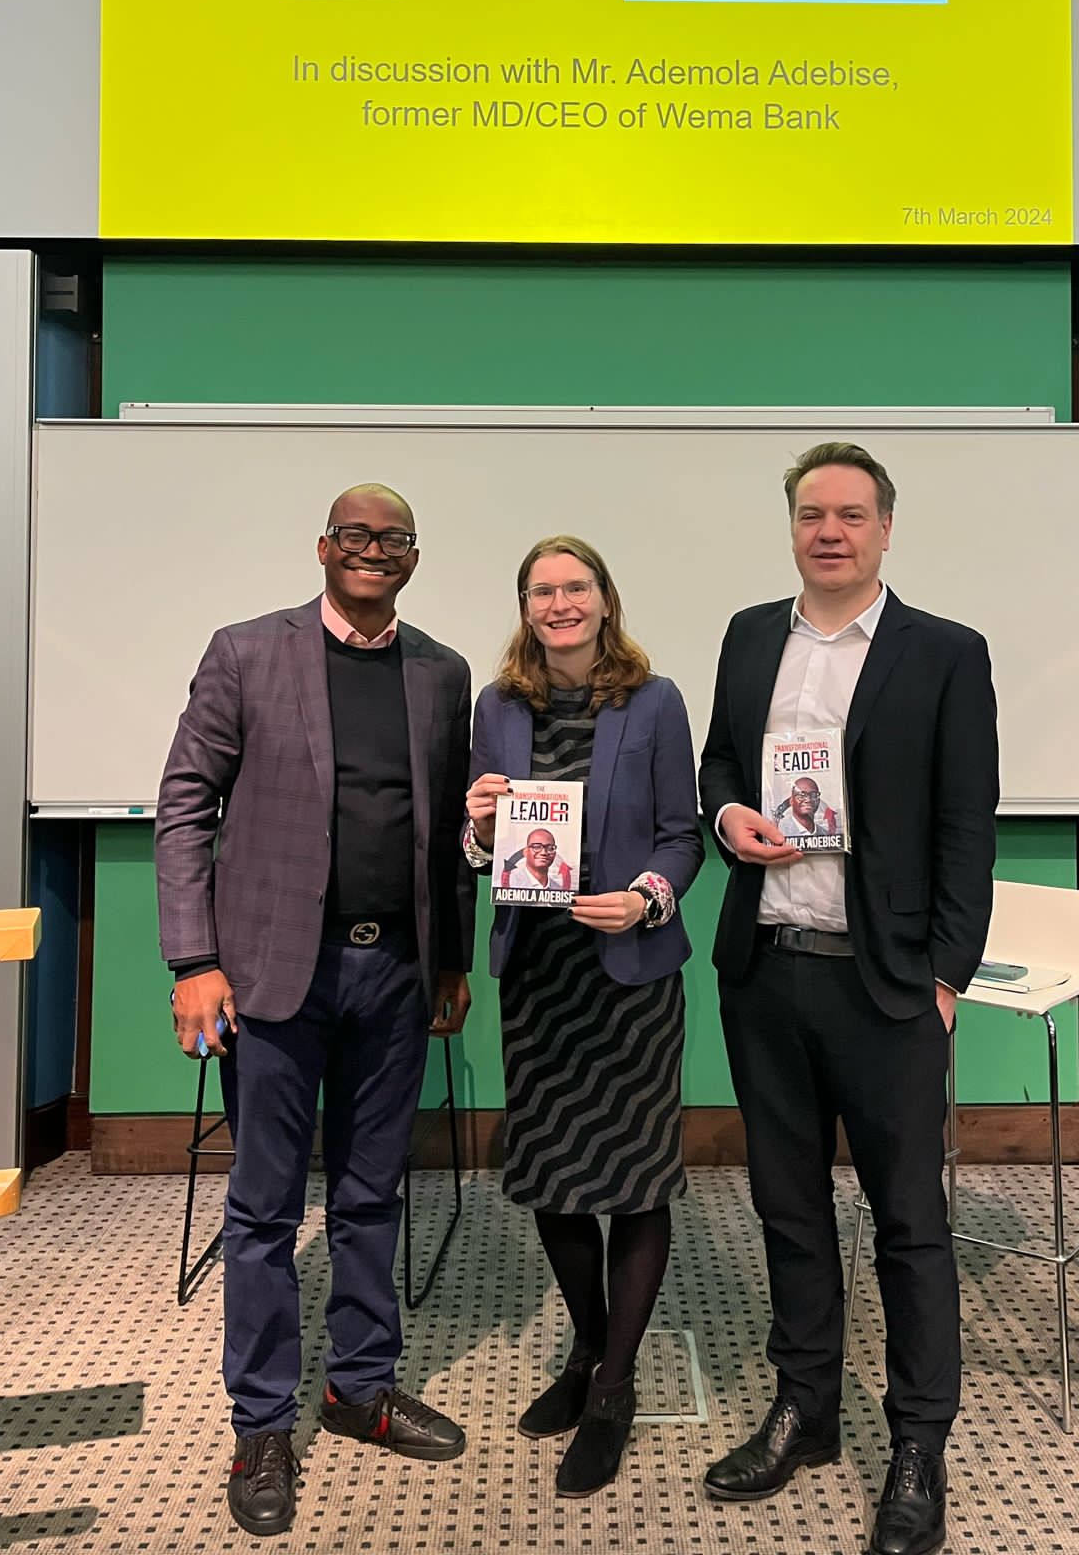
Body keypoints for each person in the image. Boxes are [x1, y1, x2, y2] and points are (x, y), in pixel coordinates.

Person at [156, 483, 475, 1540]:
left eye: (392, 538)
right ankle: (260, 1423)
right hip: (272, 976)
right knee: (263, 1211)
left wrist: (451, 958)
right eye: (355, 534)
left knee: (373, 1194)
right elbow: (185, 805)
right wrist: (194, 959)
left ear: (413, 558)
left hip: (397, 976)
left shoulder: (441, 672)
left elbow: (445, 828)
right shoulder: (247, 652)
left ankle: (358, 1386)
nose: (372, 549)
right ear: (324, 546)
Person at [698, 443, 998, 1555]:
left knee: (910, 1223)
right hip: (767, 968)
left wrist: (946, 978)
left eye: (852, 515)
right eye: (812, 513)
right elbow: (719, 764)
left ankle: (918, 1443)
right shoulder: (748, 635)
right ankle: (806, 1408)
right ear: (791, 527)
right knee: (788, 1207)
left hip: (888, 986)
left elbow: (968, 823)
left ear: (885, 530)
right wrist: (727, 817)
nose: (830, 531)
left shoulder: (946, 652)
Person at [464, 535, 704, 1497]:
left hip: (630, 976)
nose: (559, 604)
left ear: (606, 599)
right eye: (542, 591)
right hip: (540, 976)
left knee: (635, 1182)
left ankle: (612, 1391)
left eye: (576, 587)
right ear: (525, 606)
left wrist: (647, 897)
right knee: (556, 1180)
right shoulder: (497, 706)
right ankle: (590, 1349)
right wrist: (479, 827)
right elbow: (480, 843)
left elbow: (683, 837)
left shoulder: (655, 700)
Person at [502, 828, 577, 892]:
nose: (544, 852)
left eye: (550, 848)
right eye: (537, 847)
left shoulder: (559, 891)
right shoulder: (509, 885)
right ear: (526, 852)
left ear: (554, 854)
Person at [775, 775, 839, 840]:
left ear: (818, 801)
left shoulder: (826, 835)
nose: (808, 800)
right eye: (801, 795)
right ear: (791, 801)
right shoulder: (779, 831)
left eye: (813, 795)